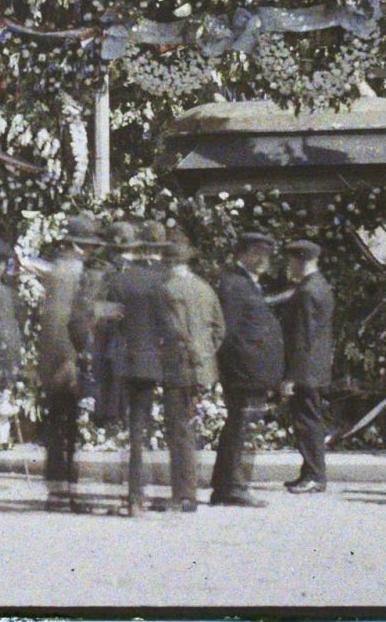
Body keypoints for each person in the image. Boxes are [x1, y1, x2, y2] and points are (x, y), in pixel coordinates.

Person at [210, 231, 284, 507]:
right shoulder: (235, 285)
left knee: (240, 427)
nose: (263, 259)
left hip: (250, 371)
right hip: (243, 372)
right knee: (242, 428)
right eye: (256, 253)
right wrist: (239, 368)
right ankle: (234, 487)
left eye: (266, 254)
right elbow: (227, 332)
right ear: (241, 253)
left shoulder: (245, 284)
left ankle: (226, 486)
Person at [104, 221, 169, 516]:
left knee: (132, 430)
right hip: (151, 361)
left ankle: (133, 497)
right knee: (143, 430)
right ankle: (141, 494)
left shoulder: (121, 280)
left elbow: (108, 318)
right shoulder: (161, 281)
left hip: (123, 360)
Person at [158, 227, 224, 514]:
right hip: (202, 368)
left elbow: (166, 331)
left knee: (179, 431)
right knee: (188, 428)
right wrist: (206, 355)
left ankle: (184, 494)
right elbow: (219, 329)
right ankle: (187, 491)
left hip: (177, 367)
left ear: (169, 262)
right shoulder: (204, 288)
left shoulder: (167, 290)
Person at [38, 214, 100, 511]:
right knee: (65, 426)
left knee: (60, 423)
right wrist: (69, 361)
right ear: (77, 244)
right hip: (65, 359)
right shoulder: (72, 271)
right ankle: (63, 491)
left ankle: (60, 489)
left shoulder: (59, 269)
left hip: (56, 357)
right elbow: (62, 321)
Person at [278, 239, 336, 495]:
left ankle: (314, 475)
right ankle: (309, 471)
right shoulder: (319, 285)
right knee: (310, 419)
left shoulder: (306, 292)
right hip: (315, 366)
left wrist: (291, 375)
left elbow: (302, 337)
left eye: (291, 261)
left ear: (301, 260)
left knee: (307, 423)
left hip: (305, 368)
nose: (289, 266)